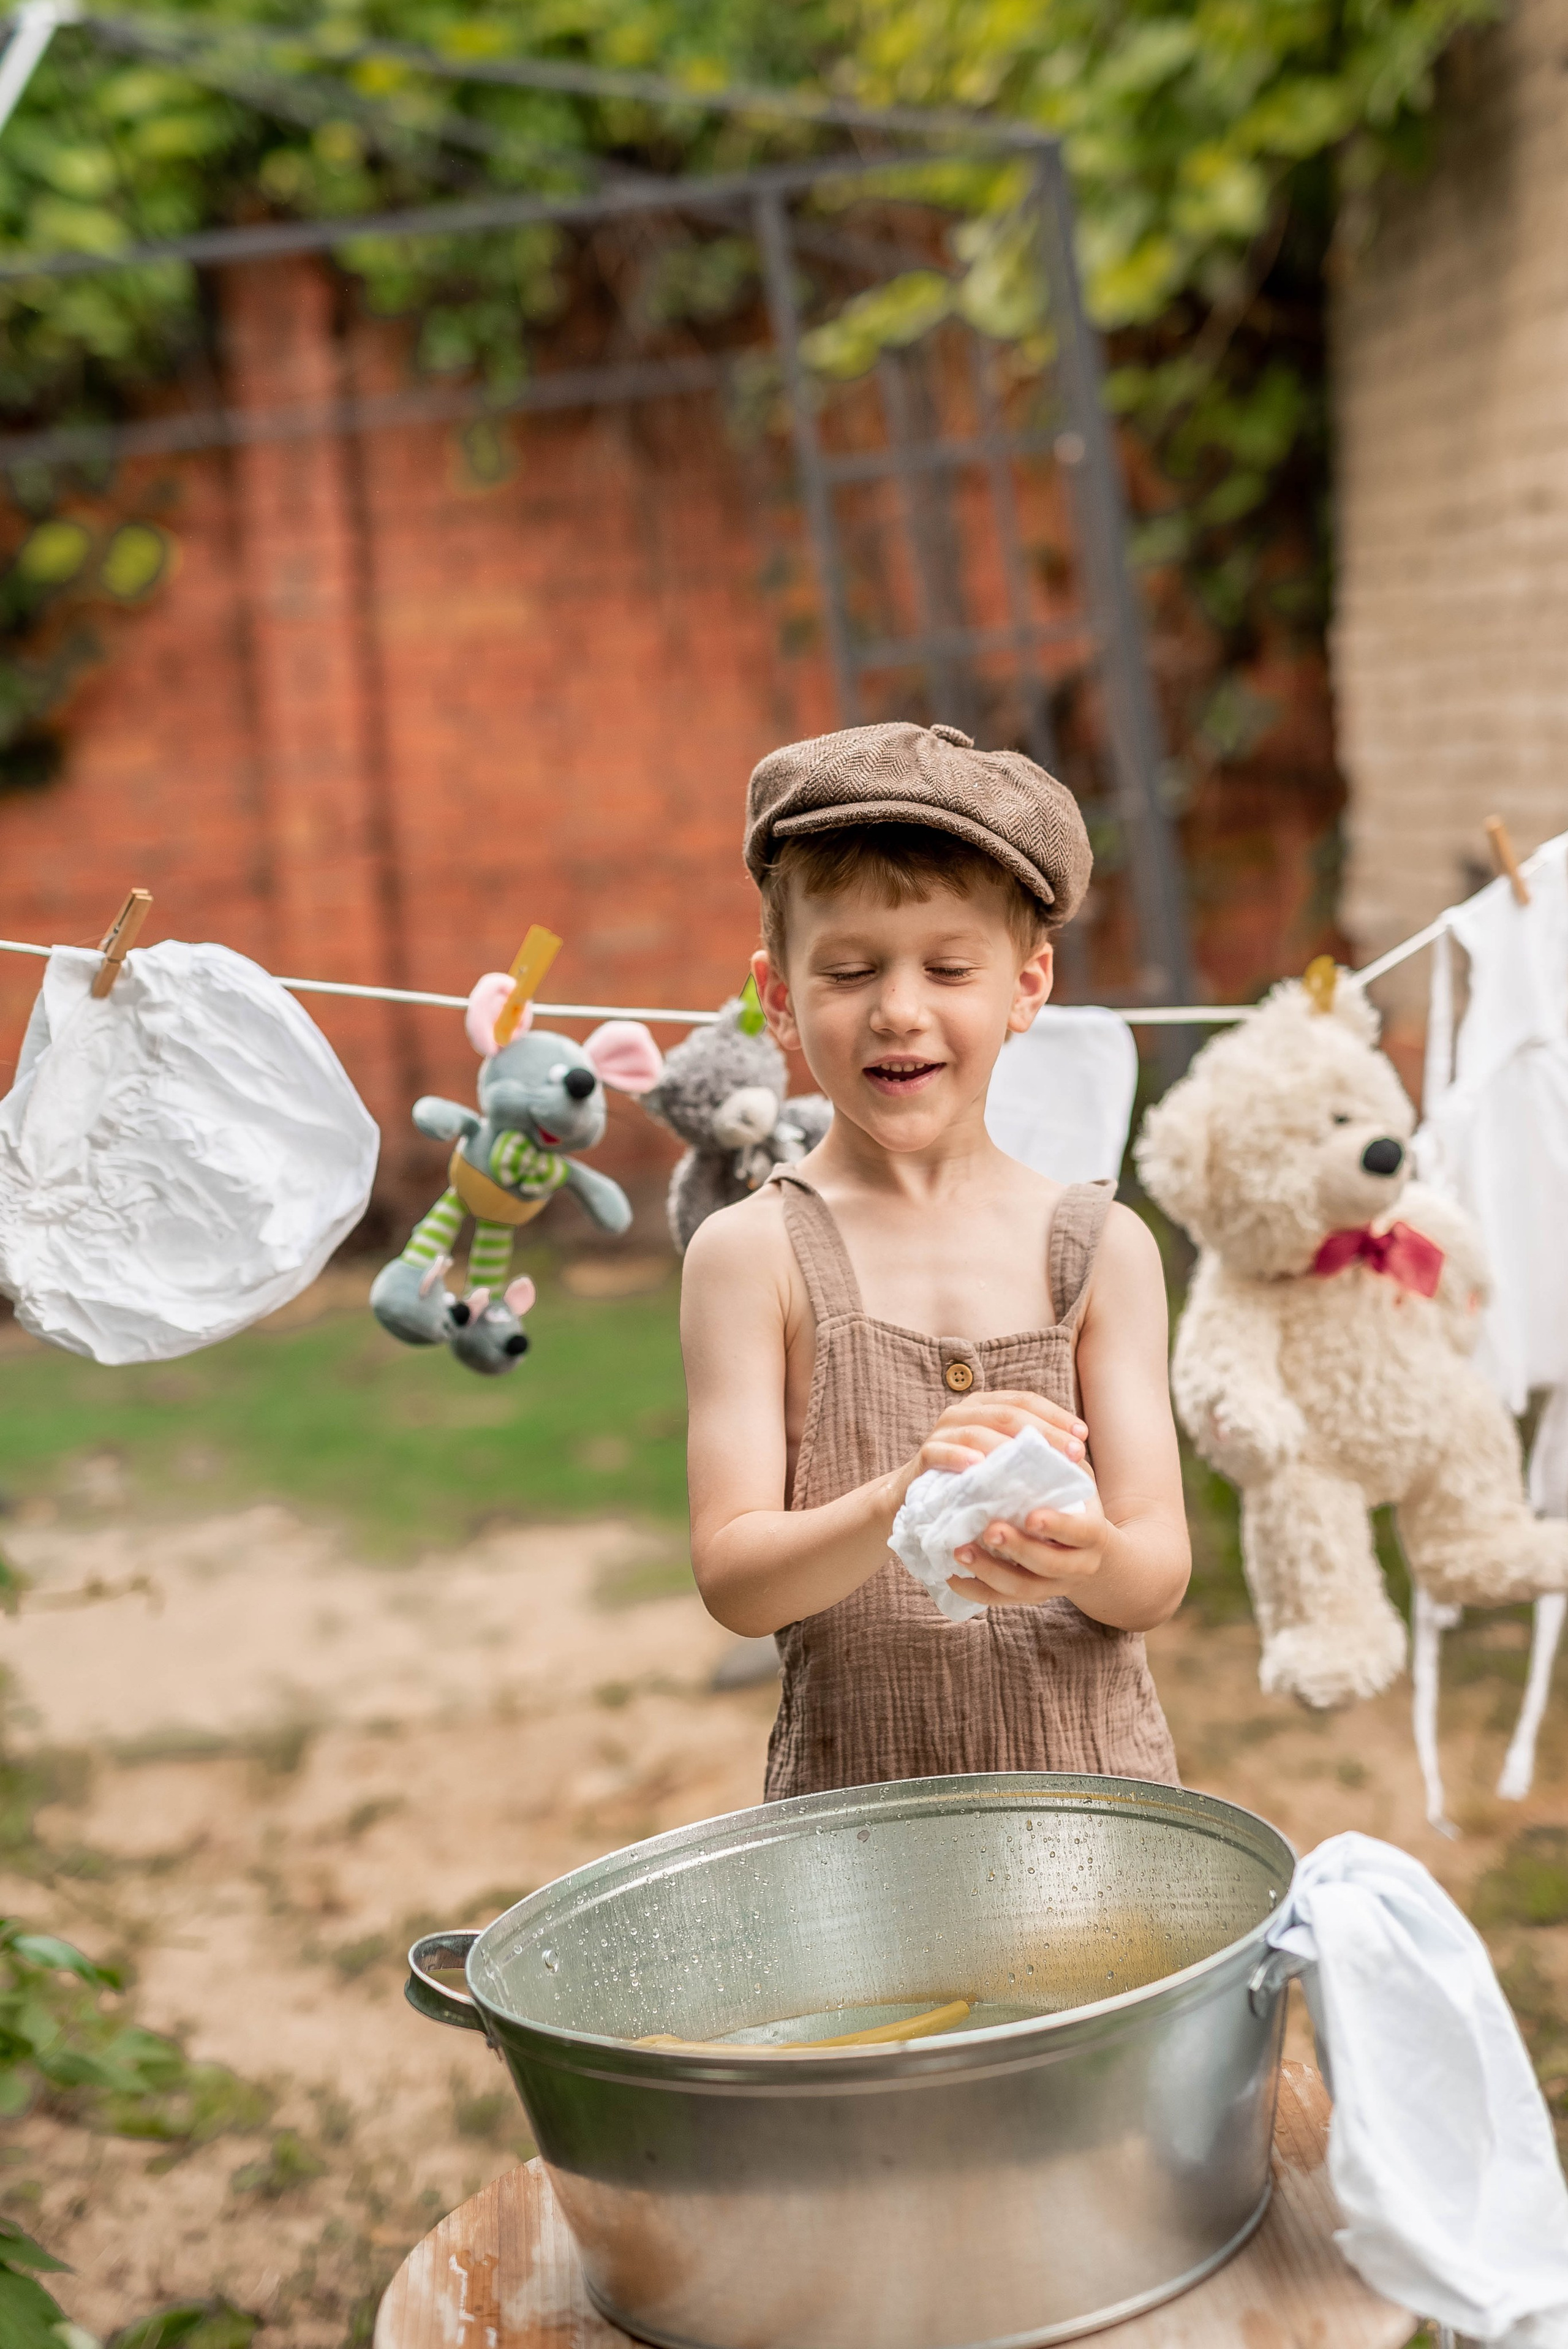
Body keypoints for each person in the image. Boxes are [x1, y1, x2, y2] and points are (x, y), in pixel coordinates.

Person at [680, 720, 1188, 1799]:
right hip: (858, 1821)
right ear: (779, 997)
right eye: (849, 969)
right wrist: (899, 1500)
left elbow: (1156, 1574)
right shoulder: (750, 1255)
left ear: (1027, 988)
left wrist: (1093, 1557)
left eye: (949, 968)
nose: (898, 1010)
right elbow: (735, 1581)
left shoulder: (1102, 1251)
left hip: (1092, 1814)